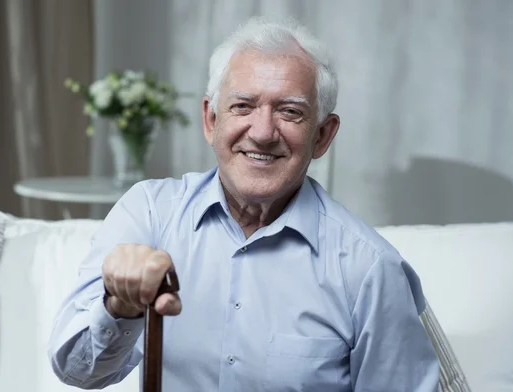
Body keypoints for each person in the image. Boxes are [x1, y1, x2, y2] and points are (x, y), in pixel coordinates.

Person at [48, 17, 439, 392]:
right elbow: (76, 371)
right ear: (210, 119)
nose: (264, 132)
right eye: (243, 106)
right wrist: (120, 306)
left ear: (322, 135)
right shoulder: (150, 213)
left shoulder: (370, 268)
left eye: (290, 111)